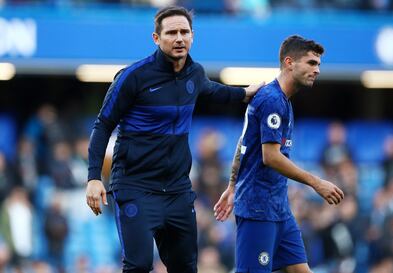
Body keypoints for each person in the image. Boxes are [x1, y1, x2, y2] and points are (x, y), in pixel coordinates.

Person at [85, 6, 262, 273]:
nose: (179, 38)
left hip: (177, 192)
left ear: (192, 36)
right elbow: (102, 125)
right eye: (171, 33)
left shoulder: (195, 73)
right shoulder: (133, 77)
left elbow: (213, 90)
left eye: (184, 32)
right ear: (156, 38)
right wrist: (94, 177)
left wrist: (245, 93)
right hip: (136, 188)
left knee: (186, 267)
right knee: (139, 265)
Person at [214, 35, 344, 273]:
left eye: (318, 65)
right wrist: (316, 182)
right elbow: (270, 156)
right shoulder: (272, 100)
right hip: (258, 209)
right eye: (311, 63)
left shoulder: (283, 101)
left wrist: (233, 186)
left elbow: (244, 142)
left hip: (279, 209)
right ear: (289, 62)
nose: (317, 70)